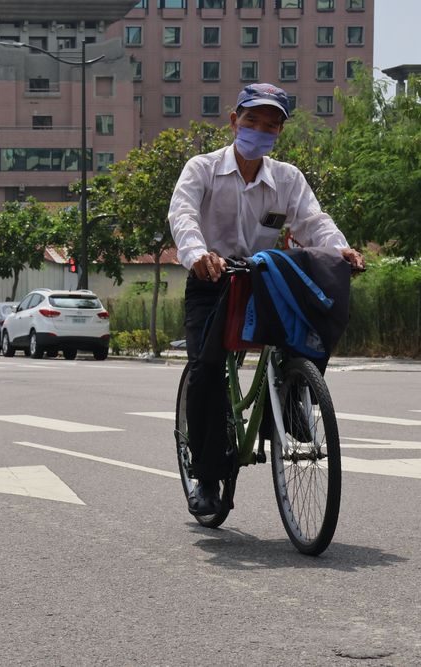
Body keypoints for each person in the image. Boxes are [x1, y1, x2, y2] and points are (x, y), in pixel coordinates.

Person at [168, 83, 364, 517]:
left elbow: (314, 221)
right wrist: (198, 254)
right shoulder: (201, 169)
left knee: (312, 325)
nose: (260, 131)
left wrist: (341, 250)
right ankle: (205, 475)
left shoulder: (287, 179)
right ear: (234, 121)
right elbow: (181, 214)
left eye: (270, 126)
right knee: (206, 368)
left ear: (278, 134)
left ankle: (294, 391)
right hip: (213, 278)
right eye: (252, 121)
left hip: (263, 277)